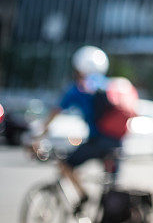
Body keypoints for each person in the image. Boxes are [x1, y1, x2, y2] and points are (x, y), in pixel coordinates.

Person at [34, 45, 122, 214]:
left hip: (97, 141)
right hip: (117, 143)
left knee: (65, 164)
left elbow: (56, 111)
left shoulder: (78, 88)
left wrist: (39, 134)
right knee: (111, 191)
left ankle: (83, 195)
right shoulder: (110, 85)